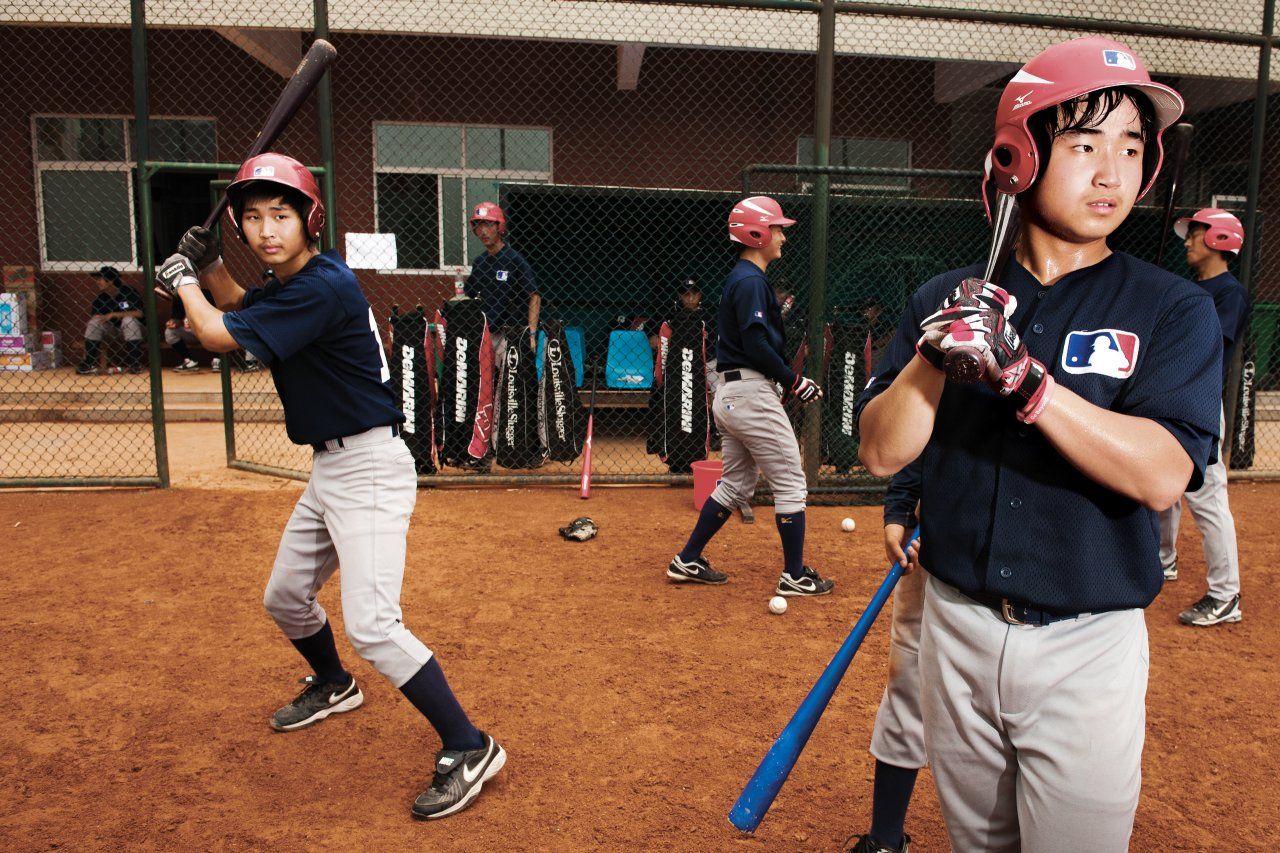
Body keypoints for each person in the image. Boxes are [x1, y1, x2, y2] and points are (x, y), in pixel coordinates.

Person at [856, 38, 1221, 850]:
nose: (1113, 173)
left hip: (1088, 644)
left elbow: (1163, 472)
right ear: (1018, 157)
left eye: (1132, 147)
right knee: (976, 843)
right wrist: (931, 357)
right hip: (956, 624)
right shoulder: (945, 298)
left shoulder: (1170, 309)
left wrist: (1026, 381)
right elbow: (881, 451)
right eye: (1086, 144)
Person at [153, 153, 505, 820]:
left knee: (373, 623)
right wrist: (205, 265)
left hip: (371, 465)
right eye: (251, 217)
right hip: (331, 466)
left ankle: (470, 743)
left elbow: (213, 328)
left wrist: (179, 280)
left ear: (308, 219)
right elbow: (235, 300)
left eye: (280, 215)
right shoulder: (293, 284)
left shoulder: (321, 286)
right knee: (285, 596)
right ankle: (335, 682)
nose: (266, 230)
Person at [665, 196, 832, 597]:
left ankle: (688, 558)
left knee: (736, 483)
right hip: (750, 392)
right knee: (792, 481)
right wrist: (795, 381)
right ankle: (794, 574)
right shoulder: (751, 280)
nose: (782, 238)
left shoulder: (743, 278)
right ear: (756, 233)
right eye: (776, 230)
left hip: (733, 394)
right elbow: (757, 345)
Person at [1160, 208, 1248, 626]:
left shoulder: (1228, 293)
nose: (1188, 241)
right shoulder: (1192, 288)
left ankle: (1225, 594)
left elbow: (1209, 348)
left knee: (1207, 495)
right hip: (1174, 395)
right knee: (1165, 482)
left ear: (1219, 240)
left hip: (1201, 401)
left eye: (1196, 234)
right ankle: (1164, 559)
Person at [844, 461, 924, 853]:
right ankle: (885, 841)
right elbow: (914, 441)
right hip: (934, 555)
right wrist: (900, 512)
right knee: (908, 686)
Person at [465, 202, 539, 363]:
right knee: (485, 382)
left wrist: (532, 334)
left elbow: (534, 296)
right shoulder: (480, 262)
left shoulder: (514, 259)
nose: (483, 231)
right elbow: (469, 296)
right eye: (478, 225)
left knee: (507, 384)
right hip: (484, 333)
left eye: (488, 225)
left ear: (500, 227)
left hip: (510, 333)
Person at [76, 266, 144, 374]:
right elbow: (96, 318)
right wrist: (98, 319)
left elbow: (139, 313)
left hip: (137, 331)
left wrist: (114, 314)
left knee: (128, 320)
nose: (97, 282)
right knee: (94, 323)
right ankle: (88, 363)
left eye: (100, 279)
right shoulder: (100, 298)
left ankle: (135, 364)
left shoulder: (128, 292)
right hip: (113, 332)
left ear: (111, 281)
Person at [165, 285, 211, 372]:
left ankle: (218, 360)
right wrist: (173, 323)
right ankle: (190, 361)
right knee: (170, 332)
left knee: (216, 328)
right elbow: (177, 319)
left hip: (206, 331)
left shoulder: (206, 294)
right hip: (191, 332)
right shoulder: (178, 296)